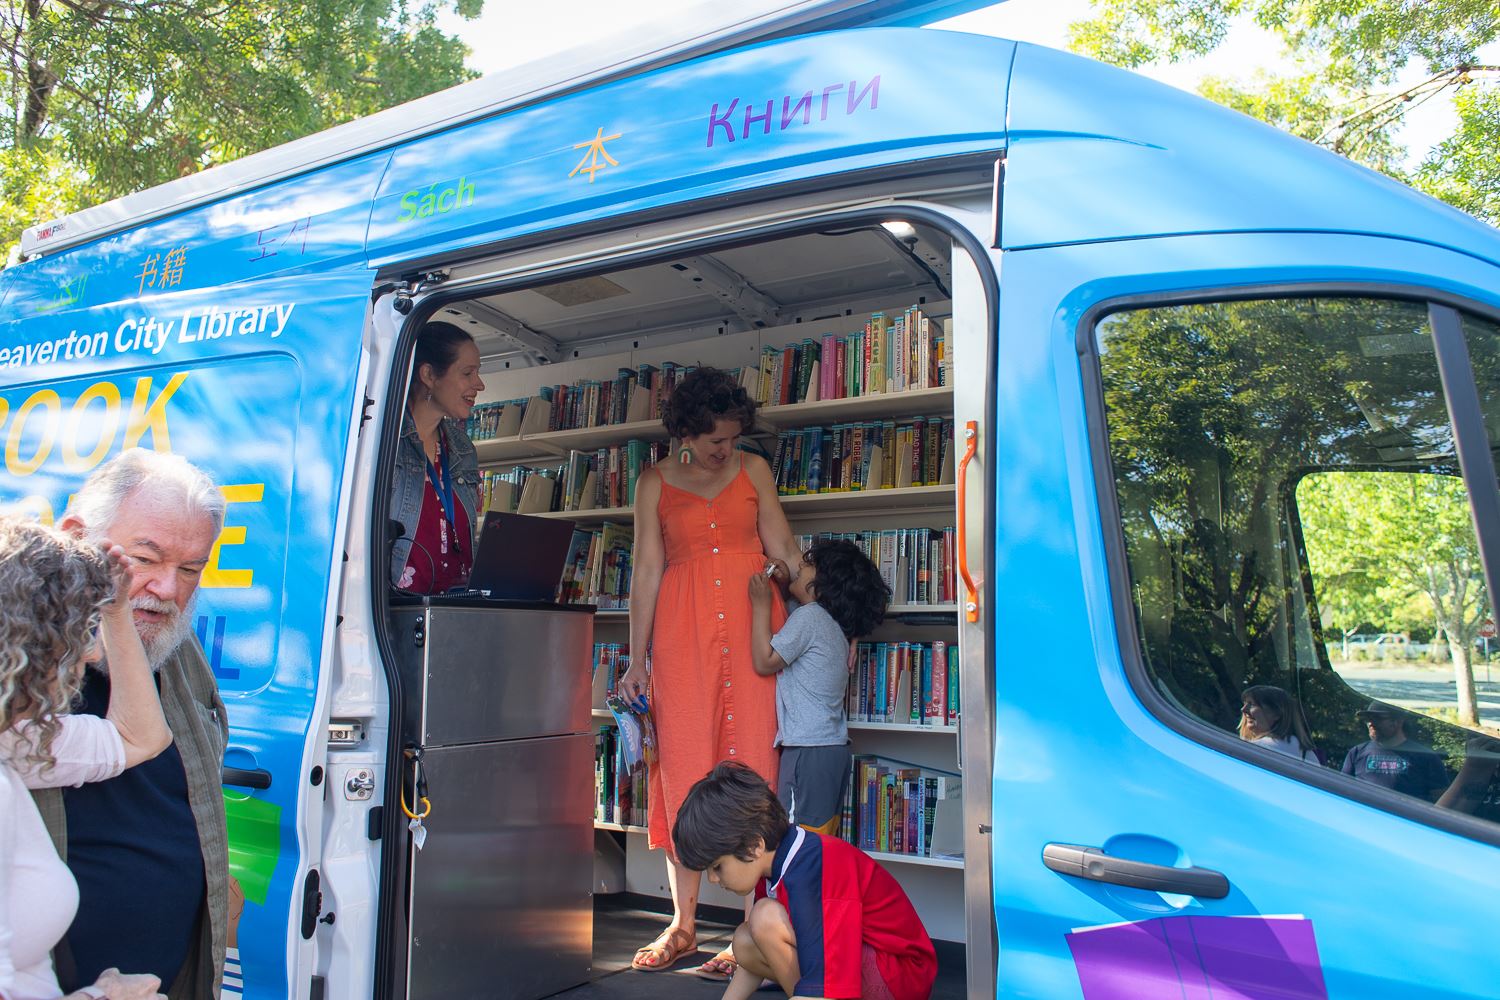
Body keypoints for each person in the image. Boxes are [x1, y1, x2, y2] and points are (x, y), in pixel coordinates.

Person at [616, 367, 800, 977]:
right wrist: (636, 661)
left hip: (753, 634)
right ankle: (684, 924)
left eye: (732, 437)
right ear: (687, 434)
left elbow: (785, 552)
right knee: (686, 769)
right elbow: (646, 571)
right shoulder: (653, 482)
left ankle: (754, 926)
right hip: (682, 636)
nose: (727, 449)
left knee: (756, 765)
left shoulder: (753, 470)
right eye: (717, 439)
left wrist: (824, 623)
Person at [33, 449, 230, 999]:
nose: (168, 589)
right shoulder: (18, 668)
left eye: (191, 568)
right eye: (146, 558)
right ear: (76, 535)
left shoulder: (177, 649)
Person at [0, 516, 173, 1000]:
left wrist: (117, 611)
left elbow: (138, 737)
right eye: (79, 632)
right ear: (34, 645)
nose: (85, 659)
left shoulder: (13, 738)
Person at [674, 761, 938, 1000]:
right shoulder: (771, 864)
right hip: (865, 961)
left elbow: (828, 963)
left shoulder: (818, 867)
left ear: (754, 845)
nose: (712, 878)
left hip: (899, 977)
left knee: (764, 918)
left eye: (717, 867)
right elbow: (754, 962)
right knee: (745, 940)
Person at [749, 539, 891, 835]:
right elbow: (794, 609)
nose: (800, 565)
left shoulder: (810, 618)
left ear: (823, 586)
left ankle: (795, 884)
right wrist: (787, 582)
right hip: (831, 749)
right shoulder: (832, 623)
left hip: (807, 750)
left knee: (794, 838)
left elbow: (765, 661)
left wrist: (761, 605)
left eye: (808, 565)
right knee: (821, 838)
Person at [390, 321, 485, 593]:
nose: (479, 384)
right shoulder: (385, 442)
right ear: (429, 375)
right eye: (468, 373)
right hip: (398, 612)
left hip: (457, 608)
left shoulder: (462, 448)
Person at [1340, 701, 1449, 802]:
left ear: (1398, 721)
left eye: (1377, 718)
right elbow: (1343, 790)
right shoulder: (1357, 752)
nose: (1371, 723)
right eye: (1368, 719)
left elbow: (1440, 800)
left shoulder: (1426, 757)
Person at [1238, 684, 1320, 764]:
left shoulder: (1259, 748)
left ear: (1276, 714)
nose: (1243, 709)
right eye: (1244, 704)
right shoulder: (1307, 754)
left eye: (1252, 704)